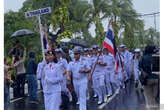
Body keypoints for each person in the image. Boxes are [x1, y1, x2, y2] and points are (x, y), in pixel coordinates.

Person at [139, 45, 159, 110]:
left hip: (147, 80)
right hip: (156, 79)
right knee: (155, 96)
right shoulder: (156, 57)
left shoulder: (143, 58)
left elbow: (139, 68)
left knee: (149, 98)